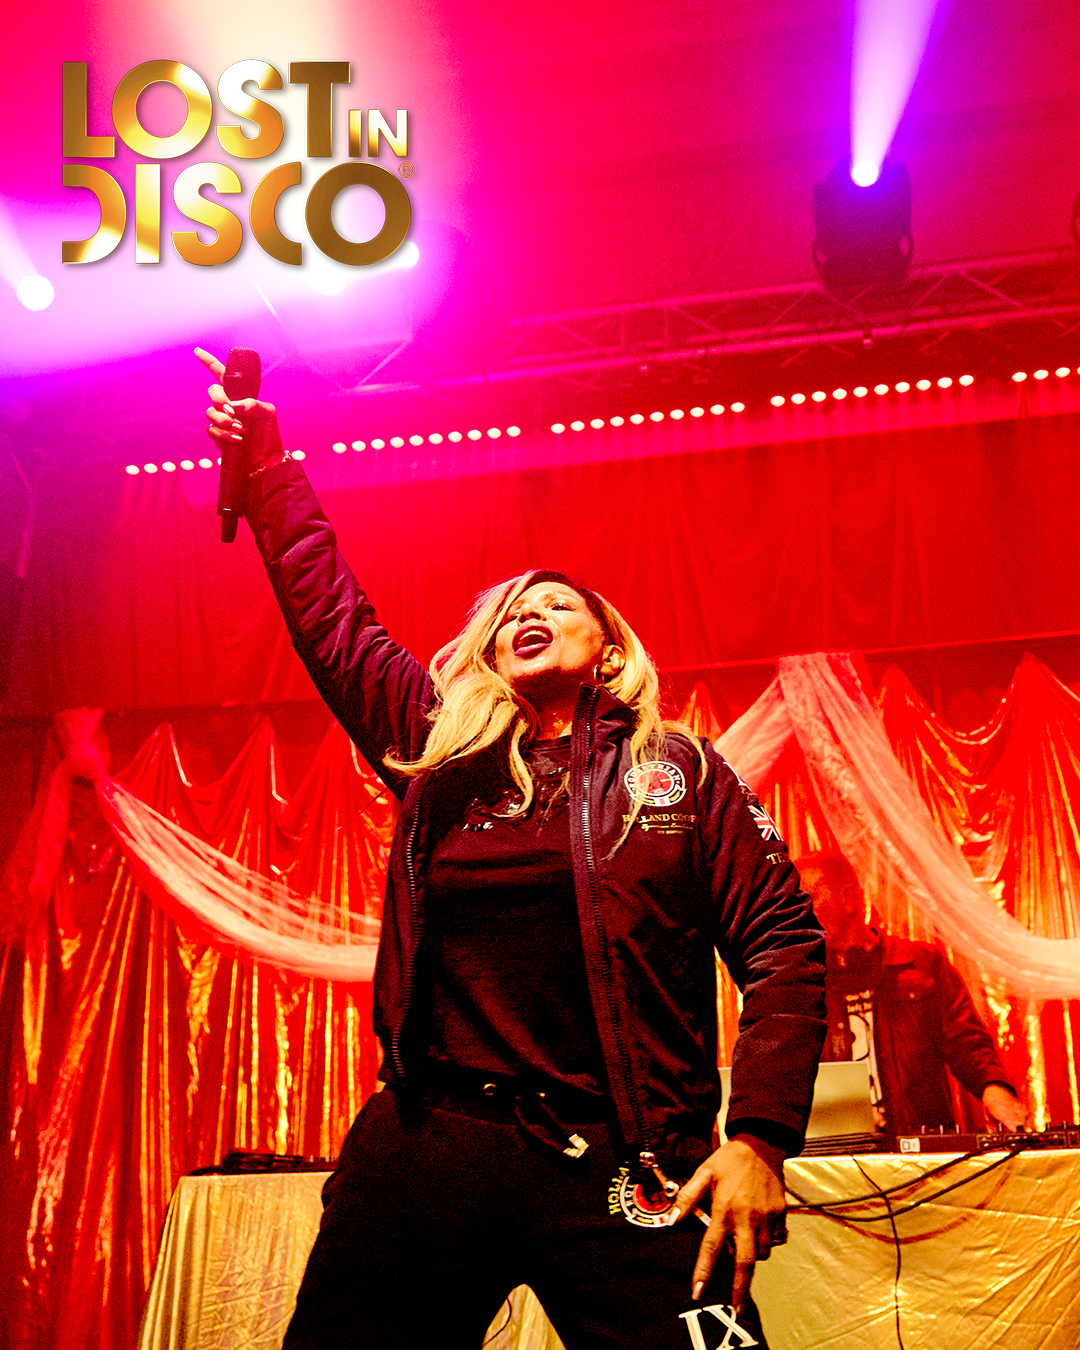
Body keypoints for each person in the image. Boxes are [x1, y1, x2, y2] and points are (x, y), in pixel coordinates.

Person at [196, 348, 827, 1350]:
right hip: (434, 1145)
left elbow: (785, 947)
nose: (530, 612)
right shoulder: (437, 755)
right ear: (488, 654)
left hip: (630, 1154)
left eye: (558, 604)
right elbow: (334, 620)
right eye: (509, 614)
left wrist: (759, 1136)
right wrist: (269, 472)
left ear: (608, 651)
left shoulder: (679, 773)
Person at [796, 853, 1025, 1139]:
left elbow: (968, 1043)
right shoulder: (801, 985)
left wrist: (994, 1090)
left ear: (848, 899)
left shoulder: (922, 964)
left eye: (806, 900)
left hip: (921, 1147)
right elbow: (787, 1076)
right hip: (836, 1154)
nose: (796, 914)